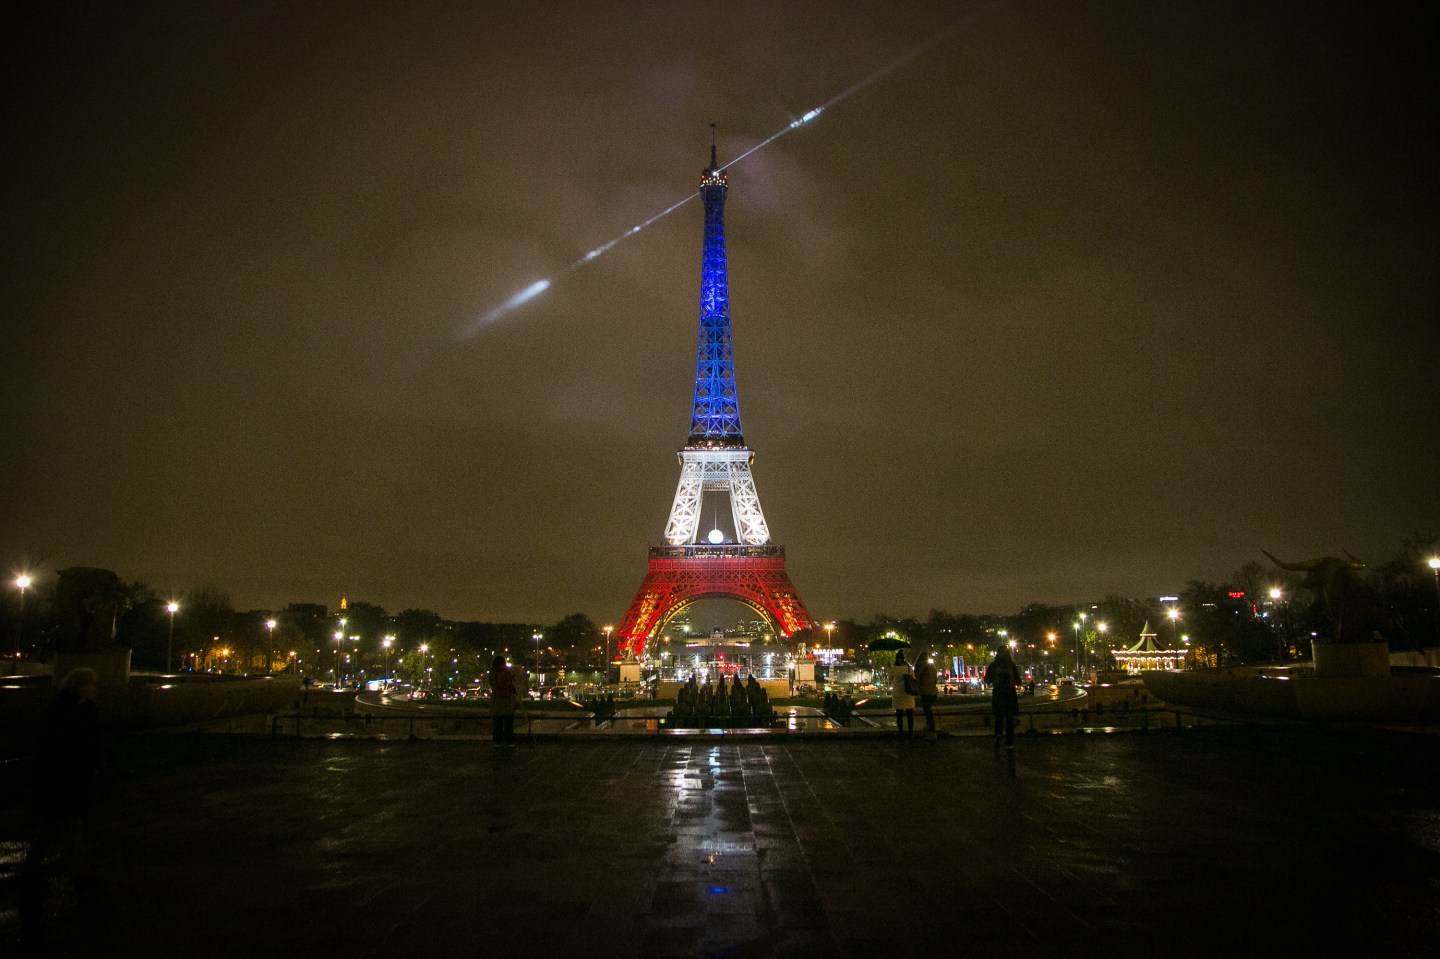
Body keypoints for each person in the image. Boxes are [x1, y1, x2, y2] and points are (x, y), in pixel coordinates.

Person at [20, 666, 102, 949]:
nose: (94, 689)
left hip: (61, 783)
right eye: (91, 685)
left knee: (49, 829)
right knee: (72, 830)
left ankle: (30, 874)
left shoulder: (64, 711)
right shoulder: (78, 713)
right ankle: (83, 880)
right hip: (65, 782)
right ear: (79, 687)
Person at [985, 646, 1023, 748]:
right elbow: (1018, 681)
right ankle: (1009, 742)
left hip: (998, 694)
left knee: (999, 717)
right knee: (1009, 718)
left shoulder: (994, 665)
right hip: (1010, 694)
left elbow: (987, 679)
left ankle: (998, 734)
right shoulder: (1011, 665)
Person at [487, 655, 517, 746]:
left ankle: (497, 740)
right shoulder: (507, 673)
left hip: (497, 701)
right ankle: (509, 740)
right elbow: (511, 684)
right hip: (507, 701)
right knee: (508, 723)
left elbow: (492, 684)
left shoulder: (493, 674)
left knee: (497, 723)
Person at [888, 650, 916, 738]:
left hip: (898, 693)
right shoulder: (908, 667)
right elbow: (913, 677)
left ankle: (901, 732)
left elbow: (889, 678)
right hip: (908, 692)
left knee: (899, 715)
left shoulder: (893, 668)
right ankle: (911, 732)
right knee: (910, 714)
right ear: (903, 659)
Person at [913, 651, 939, 739]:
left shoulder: (920, 666)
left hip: (925, 691)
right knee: (928, 710)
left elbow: (917, 678)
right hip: (933, 691)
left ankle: (932, 731)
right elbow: (936, 680)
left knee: (928, 712)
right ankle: (929, 727)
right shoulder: (932, 667)